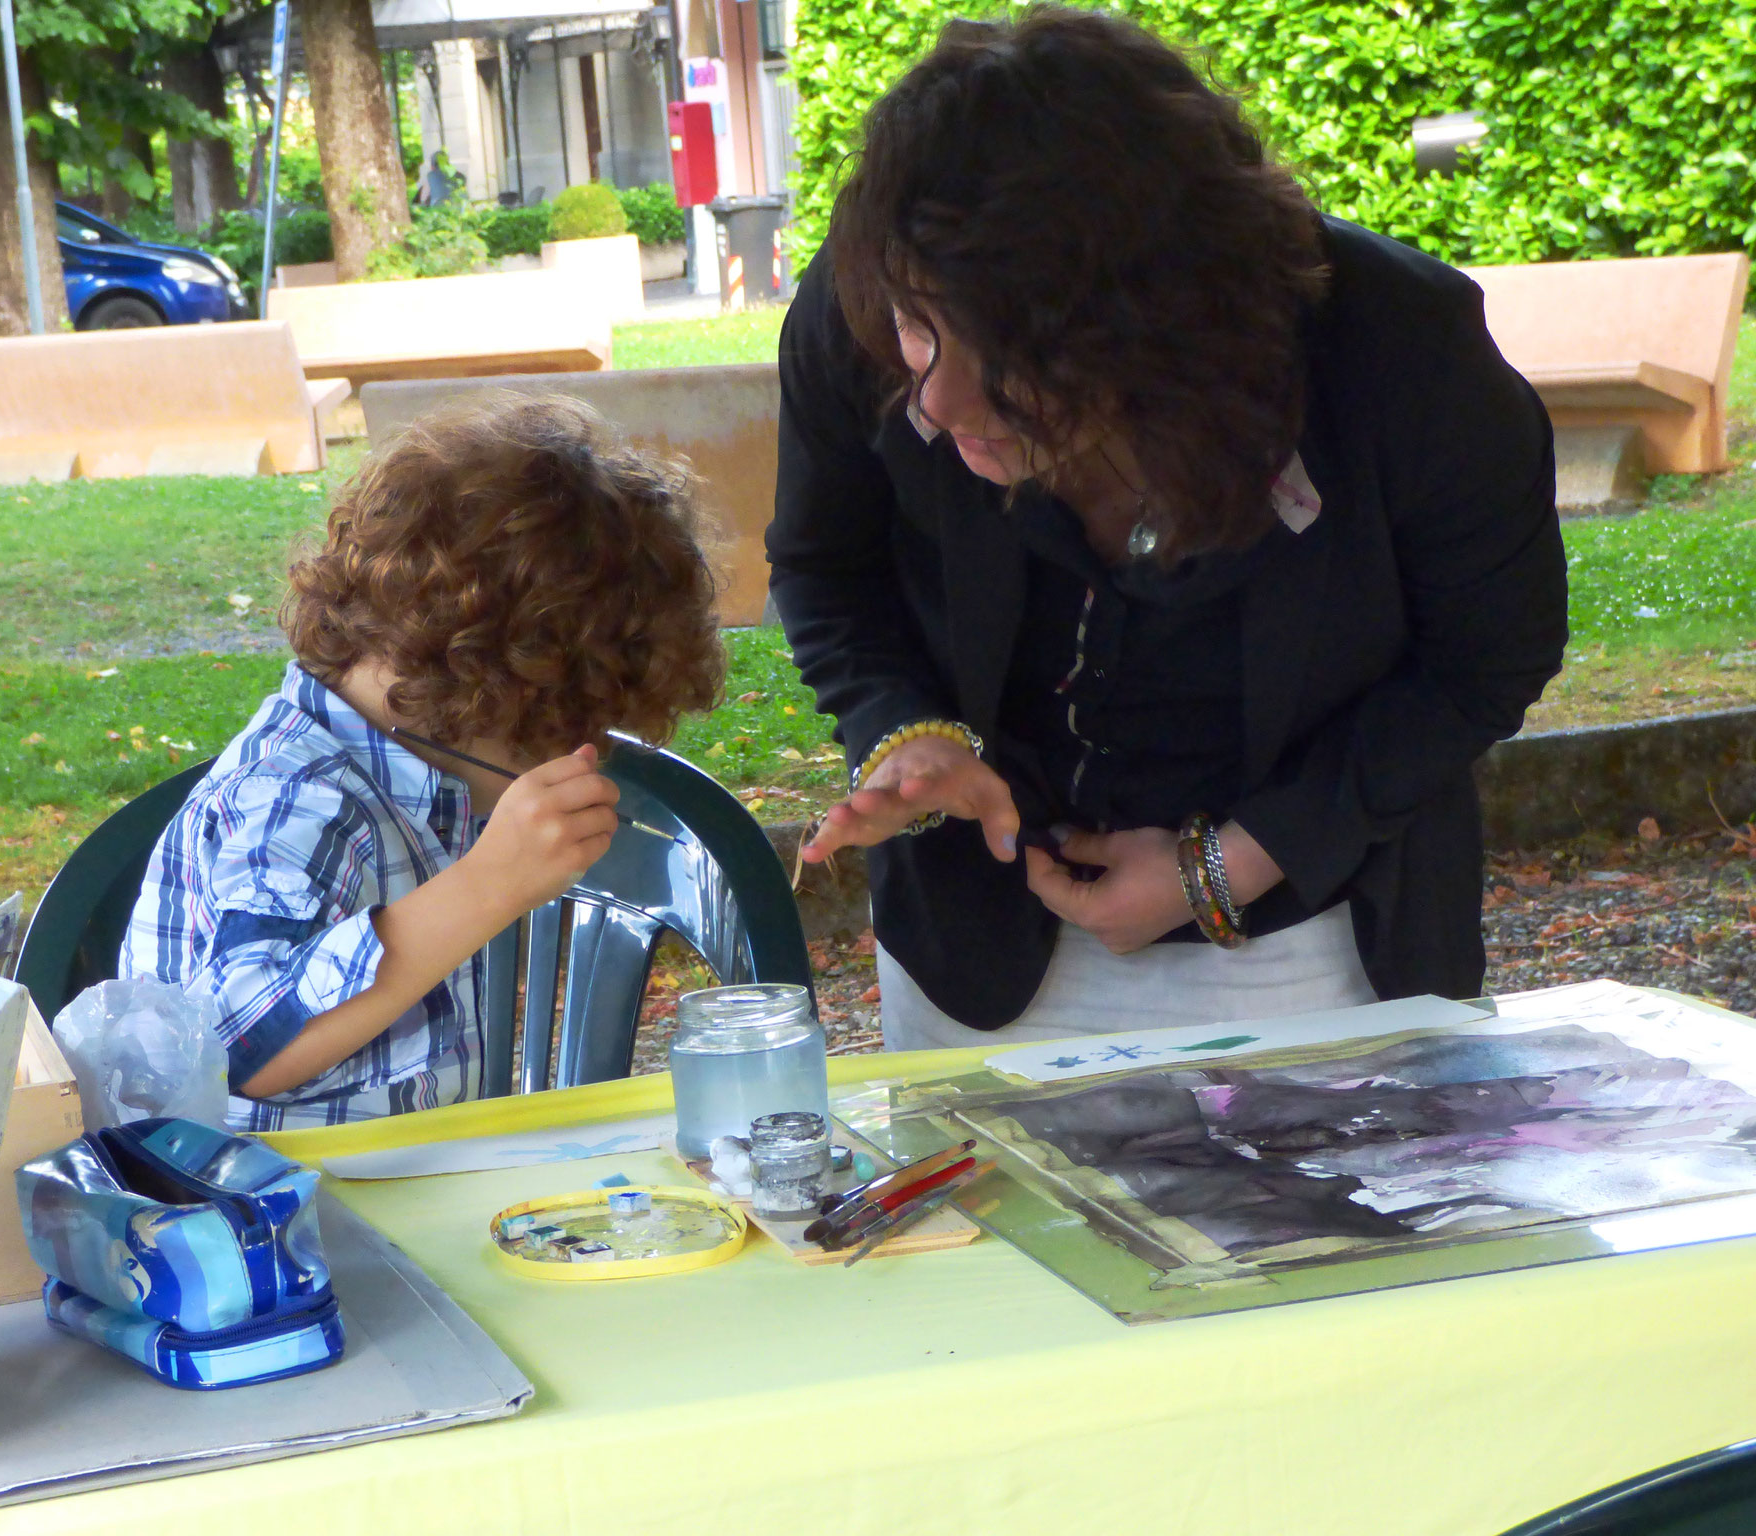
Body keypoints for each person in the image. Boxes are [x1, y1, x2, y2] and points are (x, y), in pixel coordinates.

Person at [769, 9, 1568, 1048]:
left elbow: (1486, 659)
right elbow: (826, 568)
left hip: (1303, 942)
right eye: (919, 335)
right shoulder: (861, 308)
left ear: (1150, 329)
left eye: (1006, 360)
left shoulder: (1404, 357)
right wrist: (904, 729)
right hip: (970, 944)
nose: (937, 405)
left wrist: (1229, 860)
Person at [123, 396, 724, 1129]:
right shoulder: (302, 796)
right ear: (498, 686)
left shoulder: (411, 776)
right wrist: (485, 887)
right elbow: (232, 1045)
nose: (572, 752)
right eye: (568, 725)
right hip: (270, 1228)